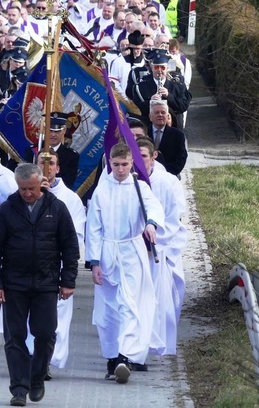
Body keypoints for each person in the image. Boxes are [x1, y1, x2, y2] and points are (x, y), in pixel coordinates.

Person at [0, 164, 79, 407]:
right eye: (23, 188)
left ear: (41, 184)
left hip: (46, 284)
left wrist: (68, 280)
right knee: (15, 337)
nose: (27, 193)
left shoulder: (57, 208)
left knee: (46, 334)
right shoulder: (7, 210)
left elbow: (70, 246)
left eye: (32, 188)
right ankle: (18, 388)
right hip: (14, 285)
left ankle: (36, 377)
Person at [86, 142, 164, 383]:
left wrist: (150, 224)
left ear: (132, 164)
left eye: (125, 164)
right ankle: (111, 357)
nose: (120, 169)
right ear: (110, 163)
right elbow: (94, 227)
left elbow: (153, 208)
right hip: (108, 250)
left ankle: (125, 356)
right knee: (108, 308)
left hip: (131, 250)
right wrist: (94, 262)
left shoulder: (139, 188)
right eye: (116, 164)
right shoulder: (101, 190)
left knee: (130, 303)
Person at [34, 151, 86, 374]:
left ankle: (48, 359)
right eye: (41, 164)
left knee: (57, 318)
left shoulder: (70, 199)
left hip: (57, 267)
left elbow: (76, 237)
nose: (46, 169)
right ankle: (32, 358)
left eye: (51, 164)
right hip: (30, 267)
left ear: (58, 168)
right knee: (31, 318)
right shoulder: (24, 194)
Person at [135, 137, 187, 357]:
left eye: (144, 156)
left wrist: (159, 244)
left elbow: (175, 218)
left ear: (154, 156)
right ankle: (136, 347)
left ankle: (157, 345)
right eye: (136, 157)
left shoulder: (167, 182)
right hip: (135, 251)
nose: (140, 161)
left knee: (161, 302)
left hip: (160, 251)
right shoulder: (129, 180)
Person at [24, 113, 80, 189]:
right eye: (50, 131)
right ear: (45, 130)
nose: (53, 135)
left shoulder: (71, 156)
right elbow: (25, 176)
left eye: (57, 131)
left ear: (64, 130)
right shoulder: (33, 151)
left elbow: (68, 184)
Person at [148, 100, 188, 176]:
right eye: (157, 112)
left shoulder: (178, 135)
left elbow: (181, 158)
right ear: (150, 117)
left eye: (163, 112)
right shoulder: (144, 133)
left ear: (167, 116)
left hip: (170, 175)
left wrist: (166, 173)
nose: (160, 115)